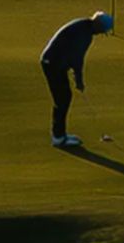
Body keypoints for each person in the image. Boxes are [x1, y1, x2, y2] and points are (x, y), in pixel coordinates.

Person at [40, 11, 113, 147]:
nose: (101, 34)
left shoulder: (84, 26)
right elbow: (77, 59)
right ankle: (58, 137)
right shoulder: (84, 35)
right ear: (98, 25)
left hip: (55, 63)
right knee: (62, 99)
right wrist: (79, 80)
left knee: (64, 98)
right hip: (52, 63)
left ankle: (60, 134)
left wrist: (77, 78)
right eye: (102, 30)